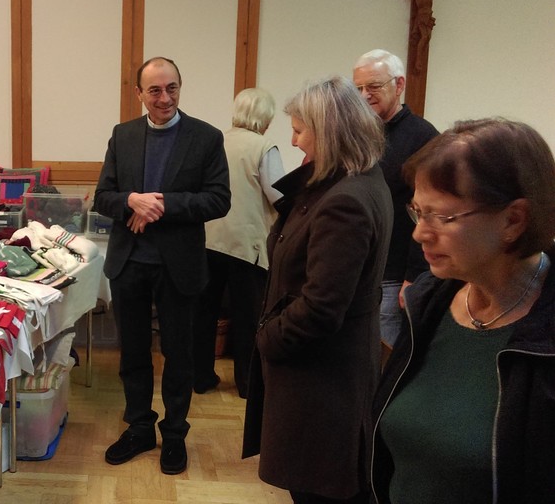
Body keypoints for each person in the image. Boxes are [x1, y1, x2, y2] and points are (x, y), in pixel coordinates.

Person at [371, 118, 555, 504]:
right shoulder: (429, 304)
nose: (419, 233)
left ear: (513, 220)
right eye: (418, 212)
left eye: (441, 217)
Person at [242, 76, 392, 504]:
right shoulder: (356, 181)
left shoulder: (344, 201)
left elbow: (321, 307)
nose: (293, 141)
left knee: (320, 490)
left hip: (322, 383)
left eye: (299, 130)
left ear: (328, 132)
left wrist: (267, 337)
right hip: (326, 373)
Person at [95, 57, 230, 475]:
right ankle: (139, 427)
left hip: (179, 266)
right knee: (133, 353)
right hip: (129, 262)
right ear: (139, 94)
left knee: (179, 354)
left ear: (180, 88)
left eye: (172, 88)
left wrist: (160, 205)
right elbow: (103, 197)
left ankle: (174, 434)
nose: (165, 98)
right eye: (154, 90)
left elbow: (218, 199)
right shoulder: (123, 135)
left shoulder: (206, 137)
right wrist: (131, 201)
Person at [196, 87, 284, 397]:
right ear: (264, 117)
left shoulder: (215, 141)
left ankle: (201, 378)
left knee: (204, 313)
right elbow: (278, 195)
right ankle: (247, 384)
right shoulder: (264, 147)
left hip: (208, 240)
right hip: (247, 246)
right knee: (248, 317)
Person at [353, 49, 439, 348]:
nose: (364, 96)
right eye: (358, 88)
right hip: (362, 267)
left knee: (384, 354)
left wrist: (414, 277)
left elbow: (426, 212)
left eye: (373, 86)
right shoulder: (361, 134)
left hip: (394, 274)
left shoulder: (423, 137)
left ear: (399, 84)